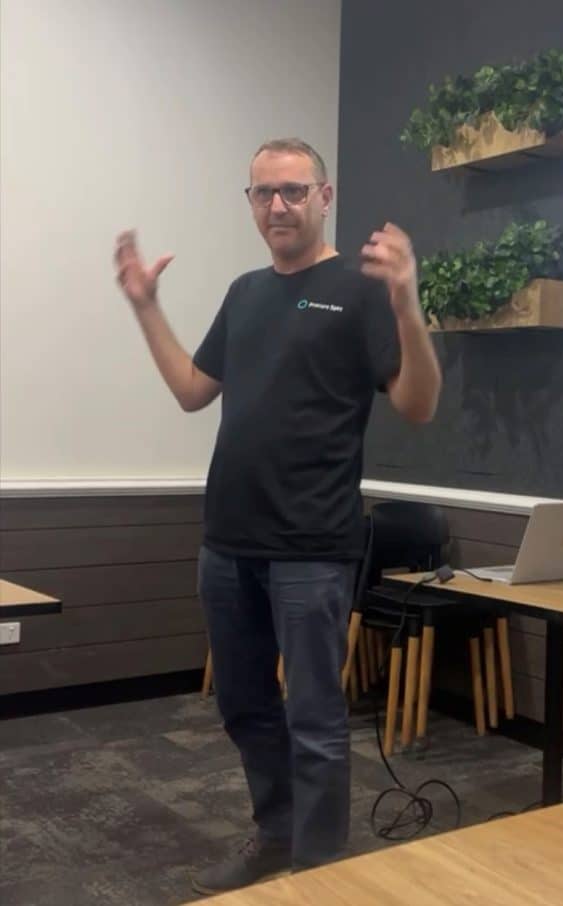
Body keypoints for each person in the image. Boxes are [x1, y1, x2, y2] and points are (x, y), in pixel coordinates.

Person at [113, 138, 442, 894]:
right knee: (243, 706)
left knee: (317, 725)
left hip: (313, 549)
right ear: (252, 204)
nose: (278, 206)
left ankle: (321, 874)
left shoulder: (363, 291)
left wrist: (407, 305)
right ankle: (278, 833)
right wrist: (145, 307)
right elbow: (195, 390)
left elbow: (419, 405)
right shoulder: (245, 292)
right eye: (263, 193)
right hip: (226, 546)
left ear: (325, 197)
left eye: (294, 191)